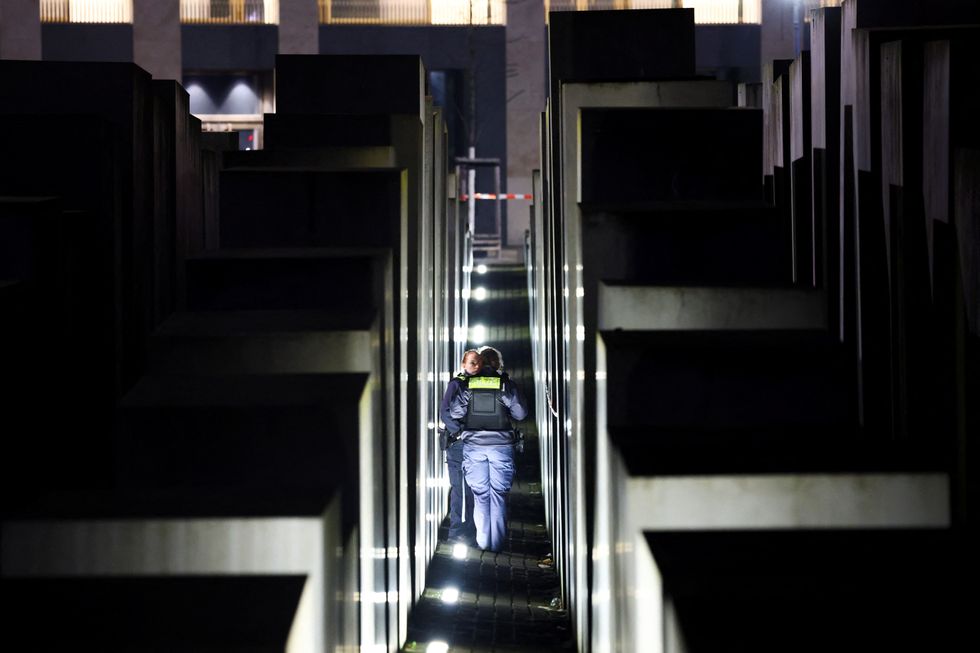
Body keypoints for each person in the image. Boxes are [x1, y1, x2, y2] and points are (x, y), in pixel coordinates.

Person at [449, 345, 528, 552]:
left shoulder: (469, 384)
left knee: (480, 495)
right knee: (498, 495)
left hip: (474, 446)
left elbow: (456, 411)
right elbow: (520, 414)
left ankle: (483, 543)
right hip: (501, 446)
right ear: (498, 364)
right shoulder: (505, 385)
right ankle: (496, 545)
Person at [439, 349, 481, 545]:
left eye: (478, 362)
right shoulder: (456, 384)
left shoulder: (480, 384)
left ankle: (468, 532)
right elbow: (444, 411)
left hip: (474, 443)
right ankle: (456, 533)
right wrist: (458, 432)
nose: (476, 366)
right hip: (459, 443)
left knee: (471, 490)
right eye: (472, 362)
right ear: (463, 365)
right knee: (459, 489)